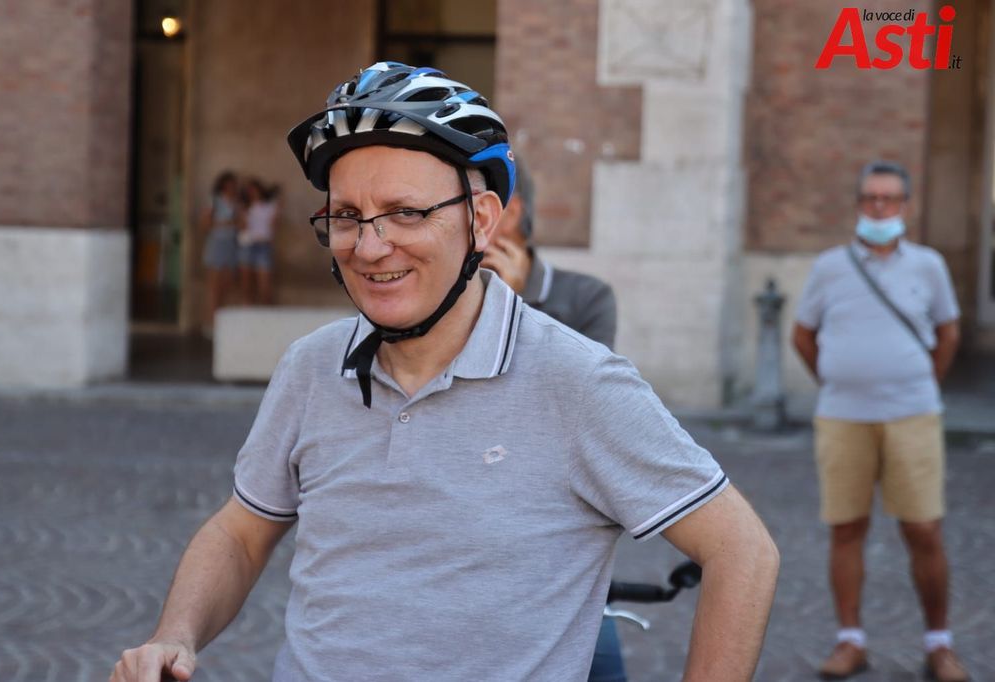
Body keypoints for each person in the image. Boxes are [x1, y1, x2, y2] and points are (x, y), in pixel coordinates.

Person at [111, 62, 778, 682]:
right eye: (347, 217)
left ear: (481, 221)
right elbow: (241, 532)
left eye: (406, 213)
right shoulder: (311, 366)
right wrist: (177, 634)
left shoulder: (577, 381)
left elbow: (741, 551)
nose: (370, 248)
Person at [792, 161, 967, 682]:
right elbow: (803, 334)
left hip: (912, 414)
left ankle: (939, 644)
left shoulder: (929, 266)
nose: (879, 207)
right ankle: (851, 640)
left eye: (889, 199)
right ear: (858, 205)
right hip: (843, 416)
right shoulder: (830, 267)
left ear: (905, 206)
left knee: (923, 529)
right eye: (870, 198)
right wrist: (837, 377)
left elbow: (948, 333)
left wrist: (920, 380)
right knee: (846, 528)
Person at [483, 158, 623, 681]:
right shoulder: (436, 301)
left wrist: (514, 306)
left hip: (561, 534)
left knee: (600, 664)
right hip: (468, 525)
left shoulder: (586, 297)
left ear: (508, 210)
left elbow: (580, 410)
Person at [481, 158, 616, 349]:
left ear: (511, 214)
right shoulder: (454, 290)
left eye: (478, 209)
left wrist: (512, 305)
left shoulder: (589, 298)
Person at [200, 171, 241, 332]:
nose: (231, 187)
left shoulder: (236, 203)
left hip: (231, 244)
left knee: (227, 285)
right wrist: (226, 223)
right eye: (229, 184)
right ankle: (210, 323)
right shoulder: (214, 201)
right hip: (217, 243)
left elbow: (240, 223)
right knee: (214, 287)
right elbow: (205, 223)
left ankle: (221, 324)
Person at [238, 178, 281, 305]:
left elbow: (274, 226)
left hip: (263, 245)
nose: (252, 193)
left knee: (265, 283)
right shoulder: (245, 208)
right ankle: (247, 308)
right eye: (249, 191)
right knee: (246, 282)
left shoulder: (270, 206)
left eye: (253, 190)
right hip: (247, 244)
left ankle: (266, 309)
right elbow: (242, 227)